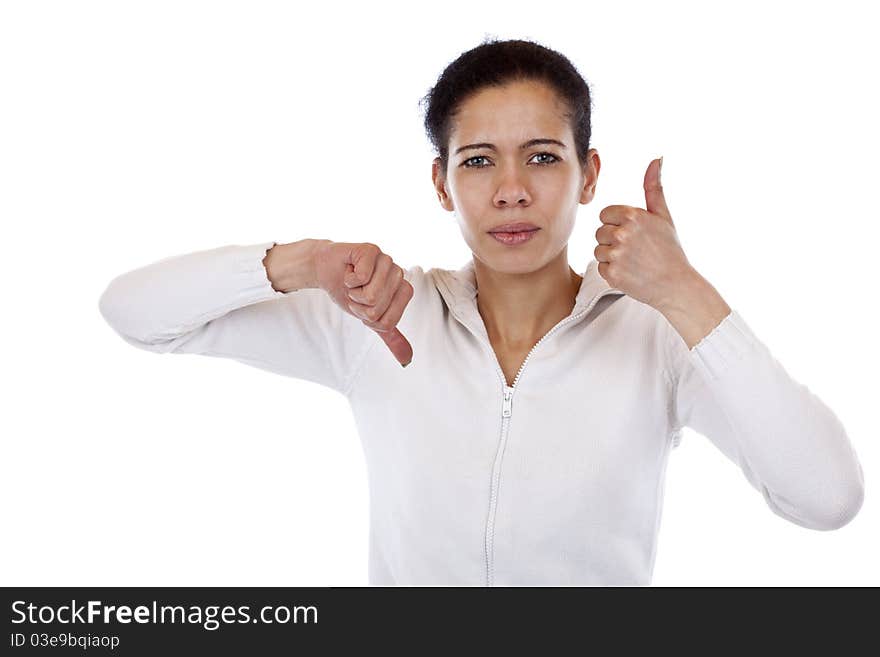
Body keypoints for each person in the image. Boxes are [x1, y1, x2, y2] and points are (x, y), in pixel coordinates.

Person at [98, 37, 865, 586]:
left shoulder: (655, 334)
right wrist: (295, 262)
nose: (510, 190)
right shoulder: (377, 317)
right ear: (441, 184)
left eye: (541, 156)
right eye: (477, 161)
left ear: (587, 172)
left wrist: (685, 292)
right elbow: (133, 312)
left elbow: (828, 498)